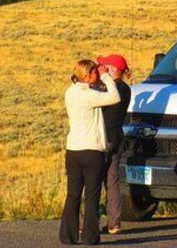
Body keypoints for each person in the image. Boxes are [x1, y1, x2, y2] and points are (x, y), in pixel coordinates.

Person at [59, 59, 120, 245]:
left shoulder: (70, 92)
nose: (97, 75)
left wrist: (99, 76)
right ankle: (90, 236)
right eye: (94, 72)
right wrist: (107, 76)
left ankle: (67, 235)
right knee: (92, 195)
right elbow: (114, 97)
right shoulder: (89, 95)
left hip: (73, 150)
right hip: (91, 150)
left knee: (73, 194)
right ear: (86, 75)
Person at [97, 54, 132, 235]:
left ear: (113, 69)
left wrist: (100, 78)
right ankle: (114, 222)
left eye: (105, 67)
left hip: (103, 138)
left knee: (94, 180)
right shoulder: (126, 89)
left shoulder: (110, 90)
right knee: (113, 181)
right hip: (117, 137)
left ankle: (91, 222)